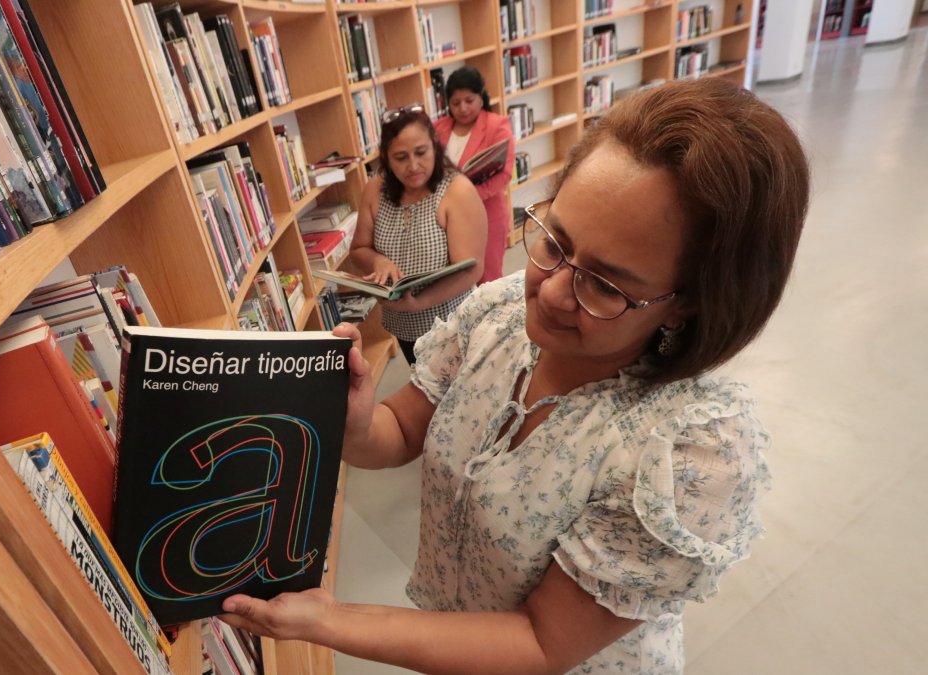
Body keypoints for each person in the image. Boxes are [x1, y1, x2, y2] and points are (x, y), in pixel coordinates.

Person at [220, 77, 810, 673]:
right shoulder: (499, 313)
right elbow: (401, 428)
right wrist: (353, 422)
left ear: (692, 301)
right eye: (555, 239)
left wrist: (331, 622)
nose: (550, 292)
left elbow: (542, 643)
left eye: (605, 285)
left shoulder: (684, 454)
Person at [349, 104, 486, 365]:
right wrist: (379, 261)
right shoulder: (375, 190)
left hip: (454, 323)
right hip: (403, 324)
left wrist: (419, 302)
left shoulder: (457, 190)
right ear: (386, 159)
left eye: (421, 153)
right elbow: (358, 250)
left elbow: (471, 269)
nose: (413, 166)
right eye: (400, 158)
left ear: (435, 146)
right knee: (426, 394)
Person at [434, 67, 515, 284]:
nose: (463, 108)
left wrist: (465, 198)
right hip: (446, 220)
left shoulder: (497, 125)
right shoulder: (438, 128)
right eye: (455, 102)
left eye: (469, 100)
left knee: (487, 279)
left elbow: (504, 174)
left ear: (481, 97)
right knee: (455, 282)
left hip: (486, 214)